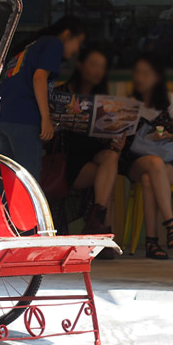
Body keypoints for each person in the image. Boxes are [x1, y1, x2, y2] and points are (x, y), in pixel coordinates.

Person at [0, 16, 86, 179]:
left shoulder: (30, 47)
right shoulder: (54, 44)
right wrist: (45, 119)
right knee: (29, 181)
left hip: (0, 118)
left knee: (8, 180)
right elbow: (39, 78)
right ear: (67, 34)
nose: (77, 50)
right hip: (23, 118)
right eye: (78, 42)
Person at [119, 54, 173, 260]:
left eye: (145, 73)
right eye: (137, 73)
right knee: (152, 166)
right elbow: (122, 138)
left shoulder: (169, 99)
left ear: (157, 77)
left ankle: (152, 242)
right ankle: (171, 225)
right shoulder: (130, 103)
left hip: (169, 160)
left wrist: (168, 135)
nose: (140, 77)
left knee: (150, 179)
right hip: (136, 160)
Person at [55, 48, 123, 240]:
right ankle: (101, 229)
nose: (97, 71)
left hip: (96, 158)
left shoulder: (103, 99)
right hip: (67, 161)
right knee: (106, 178)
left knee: (111, 158)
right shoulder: (61, 94)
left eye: (102, 67)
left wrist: (118, 135)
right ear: (80, 65)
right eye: (93, 65)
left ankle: (96, 221)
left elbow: (109, 142)